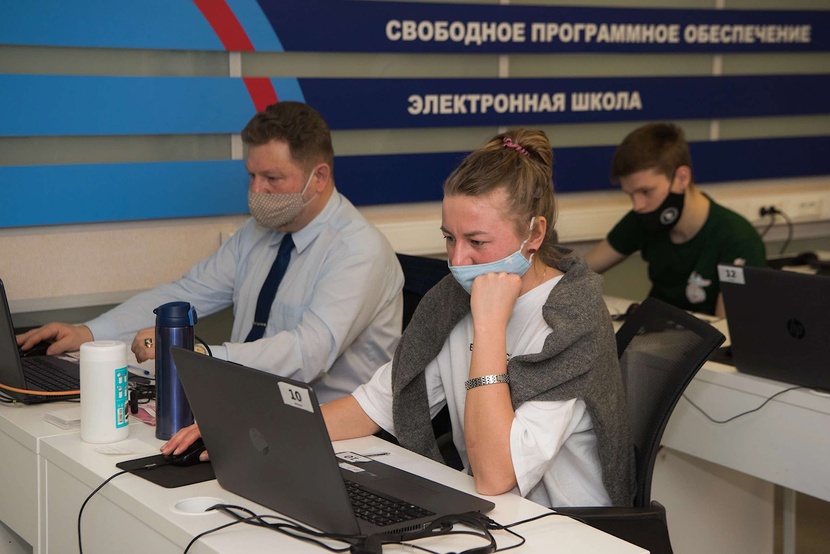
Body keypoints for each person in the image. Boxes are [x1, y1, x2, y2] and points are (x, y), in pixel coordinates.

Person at [161, 129, 634, 507]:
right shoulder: (452, 300)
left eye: (477, 242)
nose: (458, 261)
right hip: (502, 514)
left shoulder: (573, 322)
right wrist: (250, 426)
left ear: (535, 234)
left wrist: (489, 327)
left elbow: (496, 474)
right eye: (449, 238)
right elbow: (373, 404)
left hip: (569, 530)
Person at [16, 101, 404, 404]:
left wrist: (199, 354)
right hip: (246, 403)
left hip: (332, 429)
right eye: (252, 176)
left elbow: (306, 354)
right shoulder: (260, 232)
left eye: (272, 178)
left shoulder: (358, 251)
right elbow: (187, 294)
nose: (257, 191)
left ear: (318, 177)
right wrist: (90, 333)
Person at [584, 122, 765, 317]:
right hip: (654, 332)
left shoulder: (738, 241)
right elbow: (580, 270)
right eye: (630, 195)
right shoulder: (644, 218)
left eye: (646, 191)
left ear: (681, 178)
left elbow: (728, 332)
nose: (637, 206)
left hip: (703, 336)